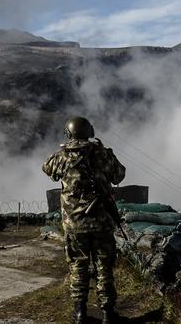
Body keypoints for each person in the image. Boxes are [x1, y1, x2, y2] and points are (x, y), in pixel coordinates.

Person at [42, 116, 126, 324]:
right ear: (89, 131)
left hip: (74, 224)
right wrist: (105, 153)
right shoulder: (102, 154)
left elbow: (47, 169)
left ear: (69, 133)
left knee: (78, 267)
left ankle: (80, 313)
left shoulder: (62, 156)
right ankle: (107, 312)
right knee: (104, 267)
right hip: (102, 223)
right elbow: (119, 175)